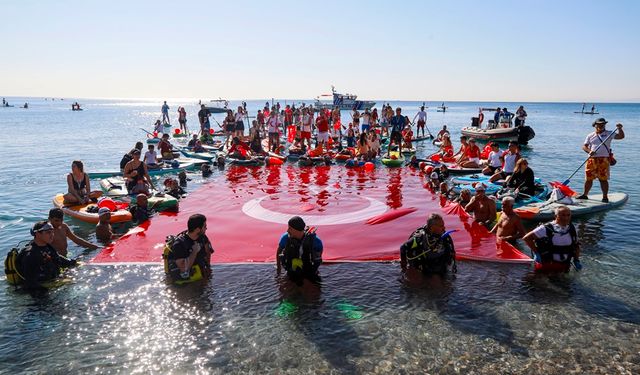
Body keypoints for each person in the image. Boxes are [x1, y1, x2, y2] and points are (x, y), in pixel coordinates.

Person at [15, 221, 78, 289]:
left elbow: (59, 260)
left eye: (52, 232)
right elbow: (31, 284)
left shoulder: (47, 247)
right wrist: (55, 284)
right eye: (48, 232)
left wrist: (76, 263)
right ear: (38, 234)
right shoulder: (30, 255)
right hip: (41, 291)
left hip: (54, 282)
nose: (52, 235)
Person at [577, 118, 625, 202]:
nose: (601, 125)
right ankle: (585, 195)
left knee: (603, 179)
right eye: (599, 124)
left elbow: (621, 136)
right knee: (588, 179)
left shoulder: (609, 133)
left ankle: (605, 197)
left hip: (604, 160)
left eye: (603, 124)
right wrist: (589, 151)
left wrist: (620, 129)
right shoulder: (590, 135)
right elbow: (584, 146)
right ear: (595, 125)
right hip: (591, 159)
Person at [523, 206, 582, 271]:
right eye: (563, 215)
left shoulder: (572, 229)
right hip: (547, 265)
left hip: (564, 265)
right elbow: (527, 238)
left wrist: (576, 260)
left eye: (568, 215)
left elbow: (576, 245)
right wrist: (537, 253)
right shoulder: (546, 228)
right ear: (556, 216)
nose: (566, 218)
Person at [165, 214, 214, 281]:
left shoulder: (202, 237)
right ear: (197, 229)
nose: (206, 228)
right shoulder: (179, 244)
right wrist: (194, 251)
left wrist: (208, 267)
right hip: (183, 282)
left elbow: (208, 252)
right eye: (204, 226)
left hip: (198, 274)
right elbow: (183, 268)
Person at [276, 216, 323, 284]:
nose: (287, 230)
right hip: (291, 268)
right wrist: (279, 270)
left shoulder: (315, 241)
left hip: (308, 269)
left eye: (290, 228)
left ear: (297, 230)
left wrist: (316, 269)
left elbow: (319, 256)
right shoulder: (285, 238)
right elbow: (279, 251)